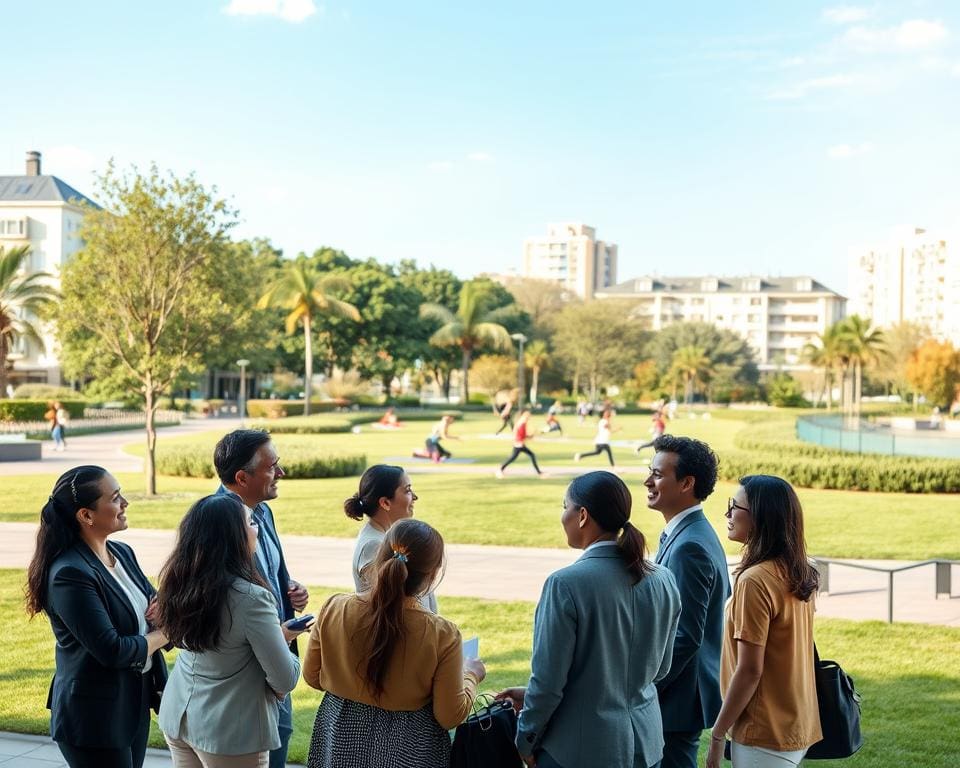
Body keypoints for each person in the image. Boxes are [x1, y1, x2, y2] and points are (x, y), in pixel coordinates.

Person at [496, 471, 681, 767]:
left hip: (579, 751)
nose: (562, 515)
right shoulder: (664, 579)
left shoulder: (565, 584)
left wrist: (525, 738)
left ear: (582, 515)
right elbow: (659, 669)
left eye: (564, 506)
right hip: (646, 746)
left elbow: (548, 683)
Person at [302, 518, 486, 767]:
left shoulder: (335, 607)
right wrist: (471, 675)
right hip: (410, 743)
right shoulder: (442, 634)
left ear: (381, 556)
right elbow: (449, 715)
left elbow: (313, 677)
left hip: (339, 734)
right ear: (432, 575)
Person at [25, 466, 169, 768]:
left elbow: (163, 609)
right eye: (115, 498)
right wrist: (162, 634)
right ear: (86, 515)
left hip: (134, 703)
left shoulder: (123, 553)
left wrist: (162, 622)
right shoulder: (70, 573)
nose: (125, 503)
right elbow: (112, 649)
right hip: (93, 717)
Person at [158, 494, 305, 768]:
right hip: (229, 732)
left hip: (180, 714)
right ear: (233, 536)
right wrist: (284, 643)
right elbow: (285, 679)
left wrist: (276, 635)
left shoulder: (178, 582)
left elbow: (221, 644)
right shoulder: (251, 597)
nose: (257, 528)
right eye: (250, 521)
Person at [705, 476, 822, 768]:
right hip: (795, 725)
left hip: (763, 732)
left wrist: (718, 735)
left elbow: (749, 669)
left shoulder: (755, 581)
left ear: (760, 517)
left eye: (735, 506)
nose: (728, 514)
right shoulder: (798, 570)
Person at [213, 429, 309, 768]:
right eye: (272, 467)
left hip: (274, 658)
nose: (280, 473)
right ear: (242, 477)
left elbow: (265, 572)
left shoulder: (263, 512)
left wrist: (289, 589)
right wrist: (277, 633)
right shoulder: (217, 522)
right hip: (249, 674)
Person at [646, 435, 730, 768]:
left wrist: (644, 688)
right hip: (683, 694)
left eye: (658, 474)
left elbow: (685, 637)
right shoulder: (688, 533)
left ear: (687, 483)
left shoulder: (689, 547)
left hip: (677, 699)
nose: (648, 481)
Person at [345, 464, 438, 612]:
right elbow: (396, 606)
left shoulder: (386, 537)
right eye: (407, 490)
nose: (414, 497)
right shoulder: (374, 545)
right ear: (385, 503)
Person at [496, 409, 545, 478]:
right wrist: (531, 436)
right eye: (528, 414)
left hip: (519, 443)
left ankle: (539, 472)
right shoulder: (522, 423)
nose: (529, 416)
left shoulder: (521, 422)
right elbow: (523, 435)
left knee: (528, 456)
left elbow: (518, 433)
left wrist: (530, 436)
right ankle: (500, 469)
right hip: (519, 444)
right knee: (513, 458)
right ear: (524, 415)